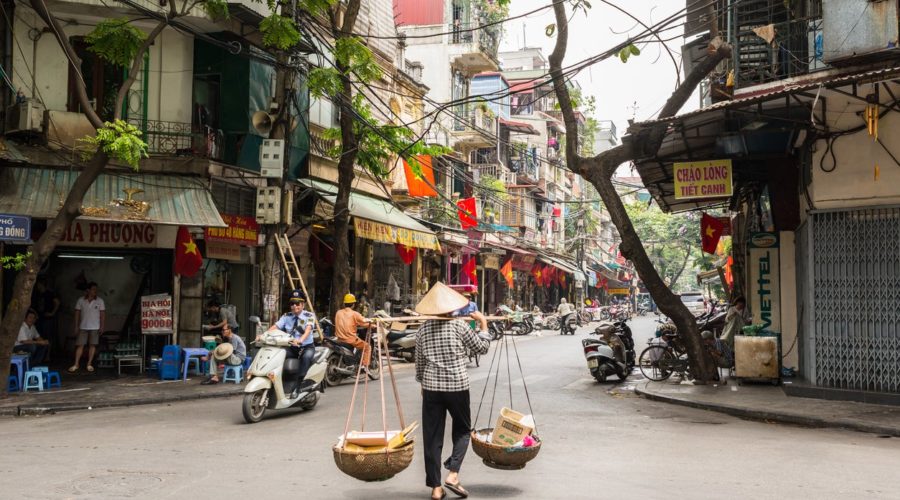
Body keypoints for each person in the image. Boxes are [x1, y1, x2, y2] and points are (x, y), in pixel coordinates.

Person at [414, 282, 491, 500]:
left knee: (432, 437)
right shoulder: (459, 326)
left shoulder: (422, 330)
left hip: (431, 388)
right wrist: (483, 323)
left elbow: (419, 364)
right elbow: (482, 347)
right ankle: (453, 474)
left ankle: (436, 488)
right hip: (457, 386)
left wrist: (422, 383)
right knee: (463, 431)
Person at [264, 290, 316, 397]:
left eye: (297, 303)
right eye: (292, 303)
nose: (294, 306)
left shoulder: (309, 315)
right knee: (277, 355)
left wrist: (300, 340)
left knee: (306, 358)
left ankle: (298, 387)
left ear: (303, 304)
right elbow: (276, 327)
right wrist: (263, 335)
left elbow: (308, 330)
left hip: (306, 347)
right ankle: (275, 383)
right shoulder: (286, 317)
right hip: (292, 347)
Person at [69, 282, 105, 373]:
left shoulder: (100, 301)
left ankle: (89, 364)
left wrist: (102, 326)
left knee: (92, 345)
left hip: (95, 327)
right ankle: (76, 364)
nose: (95, 291)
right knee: (80, 345)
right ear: (88, 290)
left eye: (96, 289)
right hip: (83, 326)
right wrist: (76, 326)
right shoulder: (81, 300)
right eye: (93, 289)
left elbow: (102, 315)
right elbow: (77, 314)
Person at [334, 293, 372, 369]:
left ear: (344, 304)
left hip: (339, 339)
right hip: (350, 339)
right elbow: (364, 322)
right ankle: (365, 366)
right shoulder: (355, 314)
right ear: (353, 304)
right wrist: (374, 325)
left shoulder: (338, 312)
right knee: (367, 347)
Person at [32, 276, 60, 360]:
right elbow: (32, 307)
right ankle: (40, 355)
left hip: (47, 318)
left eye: (38, 284)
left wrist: (52, 313)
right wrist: (35, 315)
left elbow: (57, 302)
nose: (37, 286)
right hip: (38, 319)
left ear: (41, 284)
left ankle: (47, 356)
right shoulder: (36, 294)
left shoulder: (49, 293)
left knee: (48, 336)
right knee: (39, 336)